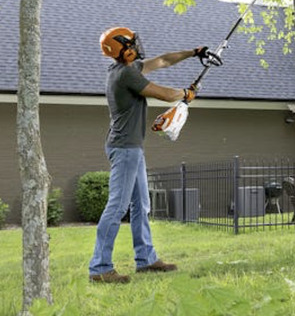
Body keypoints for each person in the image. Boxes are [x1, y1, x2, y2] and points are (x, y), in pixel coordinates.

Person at [89, 26, 214, 284]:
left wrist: (194, 52)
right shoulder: (124, 75)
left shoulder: (128, 68)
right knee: (117, 206)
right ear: (123, 50)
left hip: (131, 147)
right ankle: (100, 268)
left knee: (141, 205)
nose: (138, 47)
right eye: (132, 44)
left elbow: (164, 60)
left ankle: (145, 260)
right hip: (124, 148)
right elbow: (165, 94)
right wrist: (186, 94)